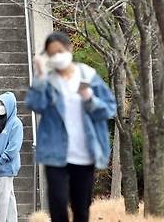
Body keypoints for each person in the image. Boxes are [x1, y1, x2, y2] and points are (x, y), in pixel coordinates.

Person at [27, 32, 117, 222]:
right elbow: (35, 104)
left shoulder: (87, 75)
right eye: (52, 54)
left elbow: (109, 109)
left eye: (60, 51)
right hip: (55, 153)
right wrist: (40, 77)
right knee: (58, 206)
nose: (57, 57)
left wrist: (89, 98)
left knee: (81, 209)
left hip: (84, 153)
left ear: (70, 49)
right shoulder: (48, 81)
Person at [0, 92, 23, 222]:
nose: (0, 107)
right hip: (0, 166)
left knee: (2, 195)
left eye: (3, 104)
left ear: (10, 105)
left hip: (6, 166)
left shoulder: (16, 123)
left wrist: (1, 160)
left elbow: (14, 147)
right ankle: (11, 219)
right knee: (8, 196)